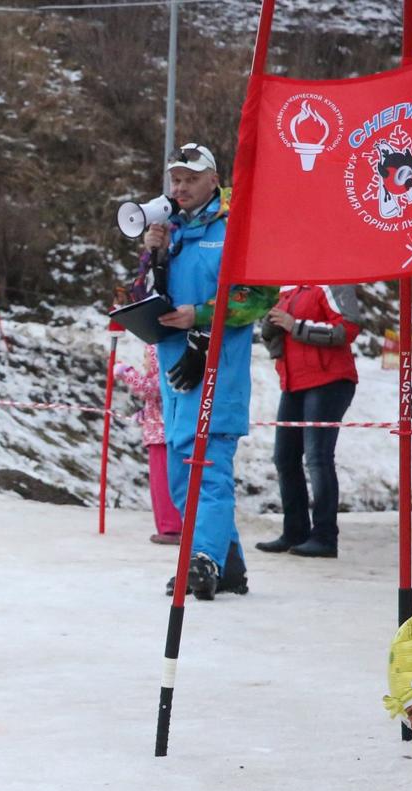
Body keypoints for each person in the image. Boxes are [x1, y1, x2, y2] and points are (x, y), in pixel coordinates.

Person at [141, 142, 278, 599]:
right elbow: (151, 292)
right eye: (175, 179)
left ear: (212, 181)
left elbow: (258, 298)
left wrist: (199, 315)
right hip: (176, 368)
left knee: (209, 466)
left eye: (190, 179)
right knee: (183, 469)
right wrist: (154, 256)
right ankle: (229, 563)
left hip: (219, 367)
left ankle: (201, 562)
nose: (180, 187)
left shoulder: (234, 227)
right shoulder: (171, 229)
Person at [253, 284, 362, 558]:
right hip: (293, 382)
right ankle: (295, 532)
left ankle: (325, 536)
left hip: (329, 381)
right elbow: (280, 339)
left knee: (318, 457)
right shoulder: (288, 288)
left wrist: (294, 324)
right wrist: (270, 329)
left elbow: (347, 328)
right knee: (284, 458)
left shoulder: (333, 281)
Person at [112, 344, 182, 544]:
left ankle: (172, 527)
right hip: (157, 436)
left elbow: (148, 390)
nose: (144, 363)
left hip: (161, 439)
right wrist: (145, 414)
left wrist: (127, 373)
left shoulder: (163, 376)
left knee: (163, 483)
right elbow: (157, 401)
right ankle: (168, 526)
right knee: (159, 484)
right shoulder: (164, 378)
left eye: (146, 358)